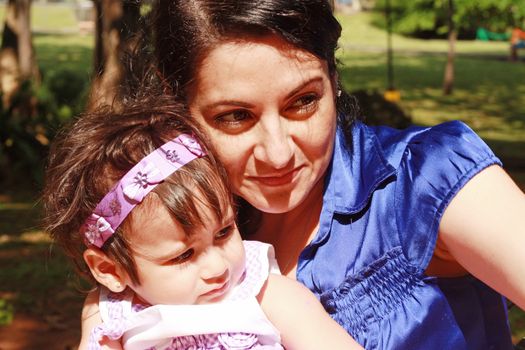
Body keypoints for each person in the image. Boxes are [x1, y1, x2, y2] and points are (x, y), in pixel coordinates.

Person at [82, 0, 525, 348]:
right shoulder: (163, 225)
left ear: (333, 77)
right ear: (176, 102)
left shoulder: (427, 181)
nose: (278, 154)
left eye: (303, 102)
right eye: (235, 116)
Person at [43, 96, 363, 349]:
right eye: (184, 255)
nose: (217, 268)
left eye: (224, 232)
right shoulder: (112, 314)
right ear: (111, 271)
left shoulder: (261, 290)